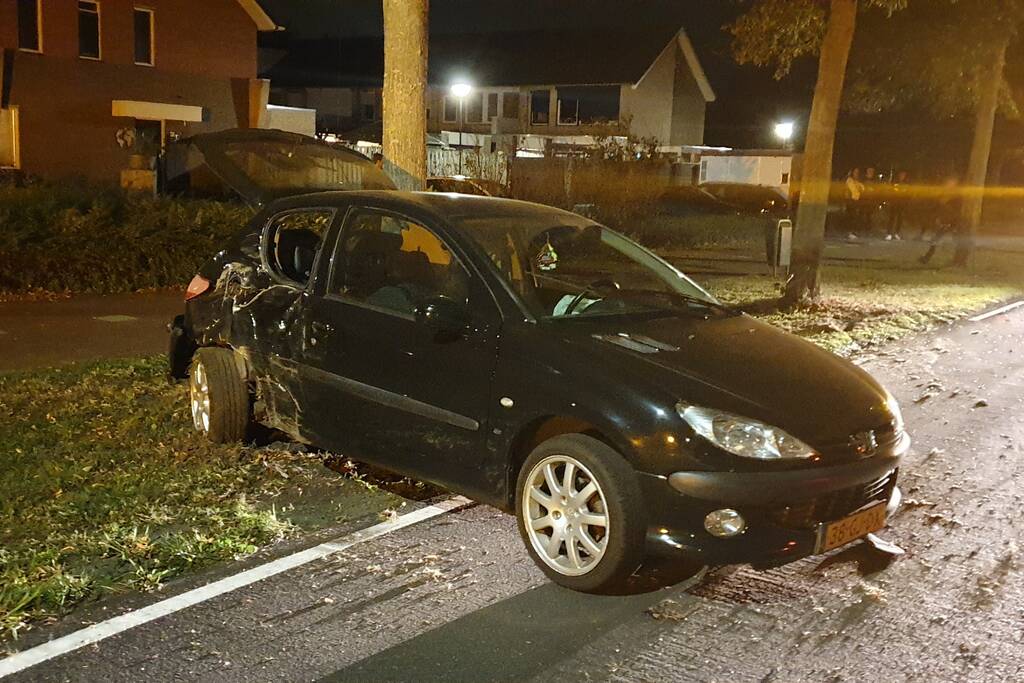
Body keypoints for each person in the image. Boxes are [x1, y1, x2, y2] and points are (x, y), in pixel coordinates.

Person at [919, 176, 962, 265]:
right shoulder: (944, 194)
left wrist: (951, 223)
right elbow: (938, 207)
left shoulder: (956, 196)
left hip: (951, 222)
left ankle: (959, 259)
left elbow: (955, 210)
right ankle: (927, 257)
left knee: (955, 239)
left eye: (951, 183)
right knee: (936, 239)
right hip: (945, 221)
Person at [886, 170, 909, 241]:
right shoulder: (894, 182)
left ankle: (896, 233)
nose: (902, 176)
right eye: (901, 174)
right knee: (892, 218)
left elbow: (907, 193)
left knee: (900, 219)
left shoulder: (906, 183)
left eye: (904, 175)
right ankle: (889, 233)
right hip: (894, 203)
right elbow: (891, 192)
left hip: (901, 204)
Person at [845, 168, 865, 240]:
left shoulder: (857, 181)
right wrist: (858, 189)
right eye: (855, 172)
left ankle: (853, 232)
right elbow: (853, 190)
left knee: (855, 217)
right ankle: (849, 232)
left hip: (856, 200)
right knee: (851, 217)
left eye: (857, 172)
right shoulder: (850, 180)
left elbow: (863, 188)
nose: (856, 174)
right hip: (851, 200)